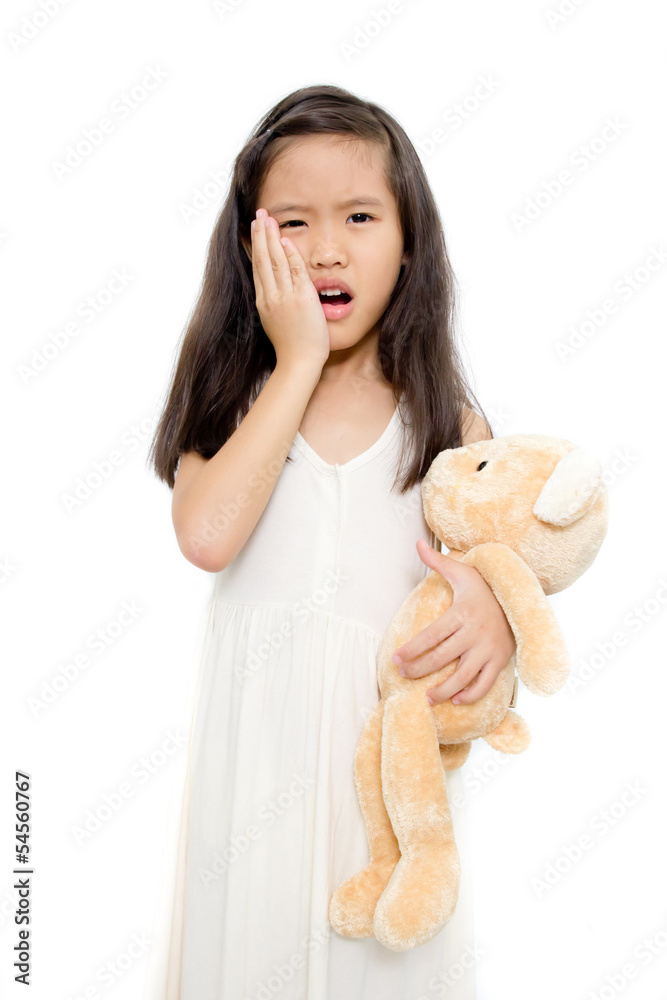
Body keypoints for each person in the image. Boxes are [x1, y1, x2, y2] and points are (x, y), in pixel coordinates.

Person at [142, 83, 517, 1000]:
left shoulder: (447, 430)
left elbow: (495, 617)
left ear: (407, 240)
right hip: (253, 799)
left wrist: (495, 621)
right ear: (250, 246)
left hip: (378, 812)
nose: (326, 249)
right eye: (293, 224)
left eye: (358, 215)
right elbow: (206, 535)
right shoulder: (234, 409)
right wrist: (298, 357)